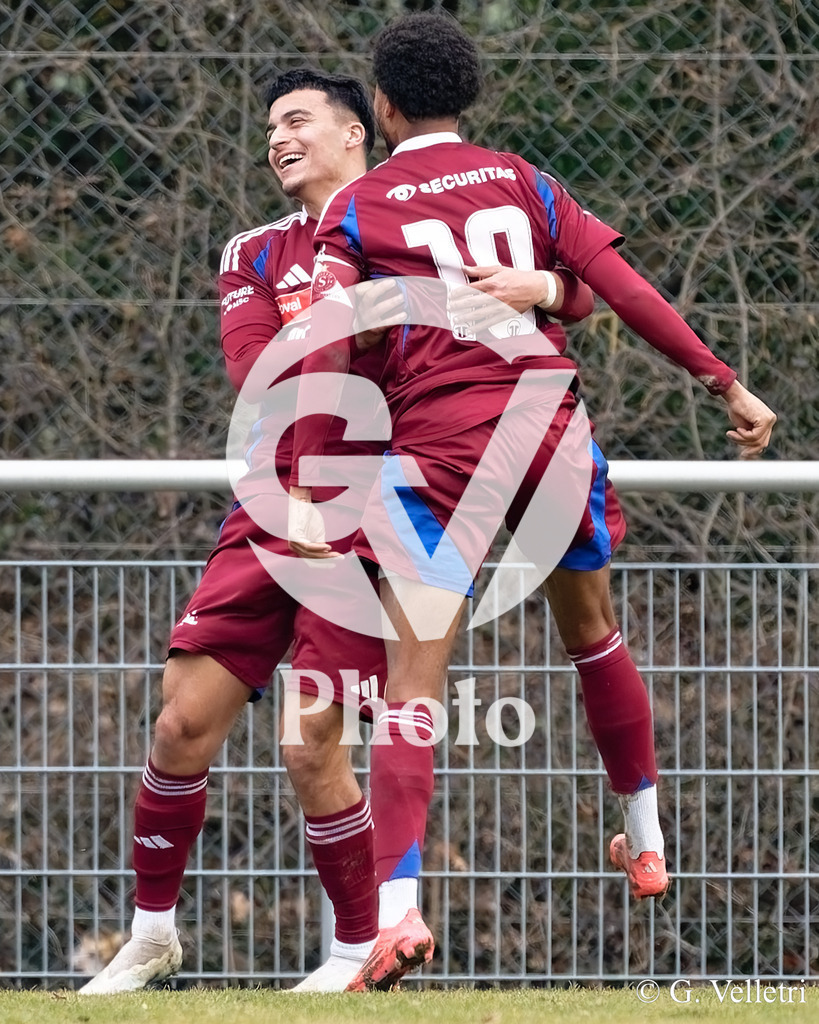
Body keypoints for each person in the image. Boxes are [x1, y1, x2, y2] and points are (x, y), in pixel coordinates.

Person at [288, 12, 777, 990]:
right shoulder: (523, 180)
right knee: (595, 635)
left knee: (413, 680)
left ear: (380, 108)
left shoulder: (361, 206)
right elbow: (619, 286)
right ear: (465, 97)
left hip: (440, 455)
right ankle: (645, 838)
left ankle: (398, 912)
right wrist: (724, 380)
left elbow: (326, 343)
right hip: (551, 435)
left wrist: (306, 477)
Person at [78, 67, 589, 995]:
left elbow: (464, 353)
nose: (277, 137)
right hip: (272, 505)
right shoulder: (255, 251)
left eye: (297, 120)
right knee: (180, 724)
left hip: (372, 516)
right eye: (269, 124)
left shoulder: (405, 227)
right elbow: (255, 374)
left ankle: (360, 952)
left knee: (312, 744)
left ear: (358, 132)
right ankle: (151, 934)